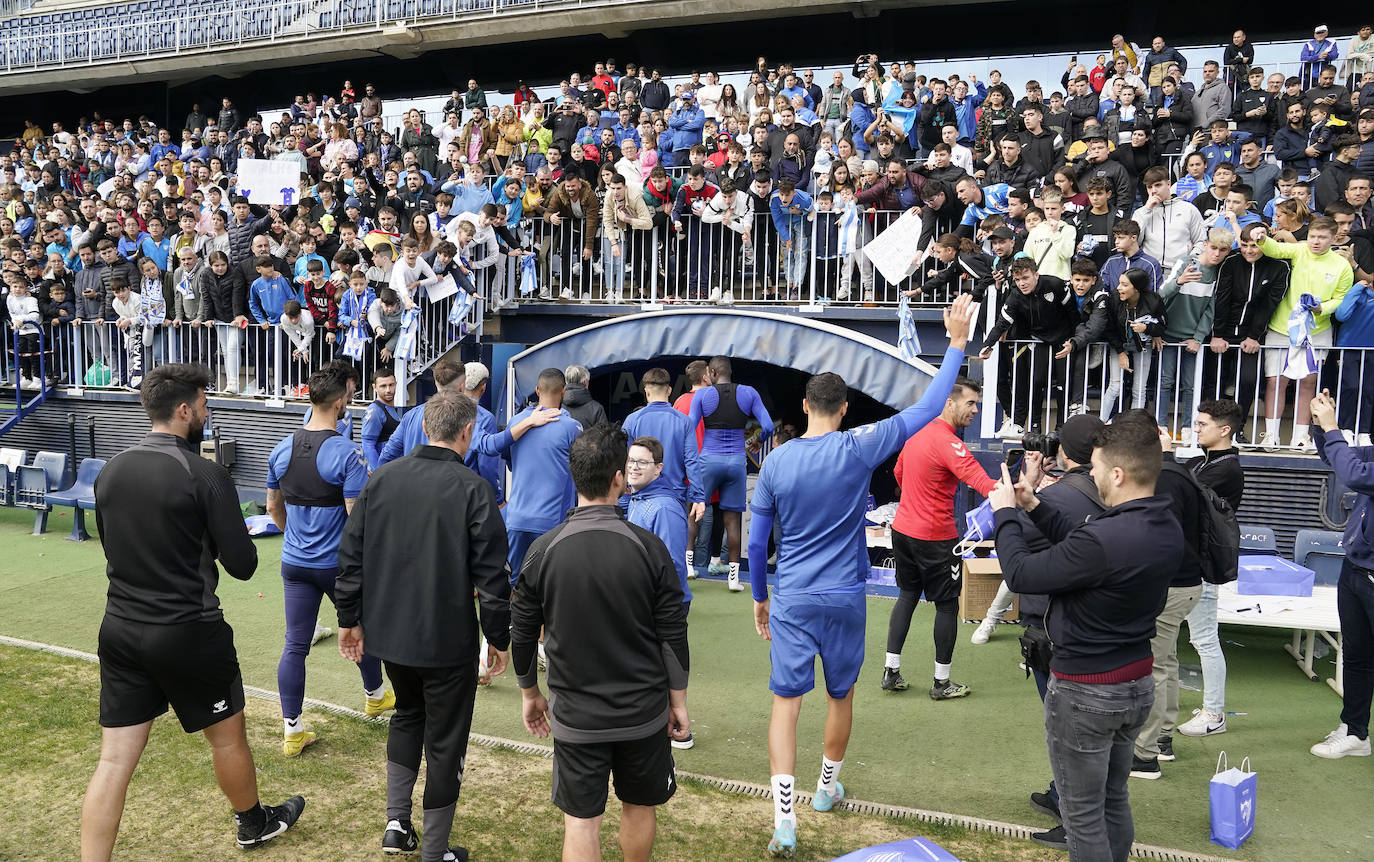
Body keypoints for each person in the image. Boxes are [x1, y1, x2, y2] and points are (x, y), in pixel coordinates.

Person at [748, 295, 973, 858]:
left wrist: (759, 598)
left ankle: (784, 822)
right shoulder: (857, 445)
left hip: (794, 594)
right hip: (846, 594)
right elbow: (926, 410)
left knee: (786, 704)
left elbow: (756, 544)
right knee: (840, 694)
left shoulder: (776, 461)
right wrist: (957, 343)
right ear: (845, 407)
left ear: (805, 406)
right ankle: (824, 792)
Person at [81, 364, 305, 860]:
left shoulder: (112, 467)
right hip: (189, 630)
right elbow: (243, 565)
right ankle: (252, 823)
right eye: (205, 405)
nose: (208, 412)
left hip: (120, 627)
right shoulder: (205, 473)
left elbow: (110, 542)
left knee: (114, 761)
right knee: (226, 739)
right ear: (184, 410)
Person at [991, 418, 1182, 862]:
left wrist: (1005, 514)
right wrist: (1034, 505)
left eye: (1095, 466)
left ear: (1117, 474)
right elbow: (1087, 545)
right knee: (1113, 798)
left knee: (1082, 815)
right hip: (1135, 683)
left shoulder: (1105, 539)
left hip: (1086, 690)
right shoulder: (1163, 523)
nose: (1090, 474)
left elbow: (1021, 573)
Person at [336, 391, 511, 862]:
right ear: (467, 432)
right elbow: (493, 577)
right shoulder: (474, 489)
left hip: (391, 635)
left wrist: (349, 619)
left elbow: (350, 555)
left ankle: (397, 823)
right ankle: (433, 850)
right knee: (445, 738)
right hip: (445, 641)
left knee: (408, 715)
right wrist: (498, 638)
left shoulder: (383, 479)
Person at [512, 423, 691, 862]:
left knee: (581, 820)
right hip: (640, 711)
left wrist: (529, 692)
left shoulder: (544, 549)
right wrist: (679, 701)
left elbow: (520, 629)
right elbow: (673, 634)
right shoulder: (649, 549)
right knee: (639, 804)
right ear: (618, 478)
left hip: (577, 715)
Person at [265, 362, 393, 756]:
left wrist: (297, 539)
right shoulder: (346, 454)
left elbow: (273, 509)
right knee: (364, 630)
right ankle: (374, 695)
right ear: (341, 403)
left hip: (294, 564)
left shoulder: (281, 449)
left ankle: (292, 730)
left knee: (295, 645)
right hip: (336, 568)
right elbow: (358, 522)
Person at [882, 376, 996, 696]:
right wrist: (1018, 492)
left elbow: (899, 473)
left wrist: (918, 502)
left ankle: (891, 671)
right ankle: (941, 683)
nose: (975, 409)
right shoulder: (950, 443)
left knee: (907, 596)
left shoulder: (917, 431)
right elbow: (982, 483)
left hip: (903, 531)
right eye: (970, 403)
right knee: (946, 606)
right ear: (950, 402)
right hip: (935, 538)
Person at [473, 367, 584, 587]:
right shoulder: (571, 427)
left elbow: (509, 460)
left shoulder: (516, 422)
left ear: (536, 390)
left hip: (517, 518)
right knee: (550, 583)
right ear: (563, 392)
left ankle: (514, 622)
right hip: (553, 521)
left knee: (516, 582)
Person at [1174, 400, 1244, 740]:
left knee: (1204, 640)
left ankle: (1214, 713)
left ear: (1224, 429)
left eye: (1202, 424)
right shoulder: (1205, 461)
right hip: (1190, 561)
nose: (1196, 429)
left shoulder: (1227, 468)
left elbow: (1180, 493)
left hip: (1201, 566)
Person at [1310, 389, 1374, 758]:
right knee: (1357, 655)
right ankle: (1355, 731)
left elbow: (1352, 473)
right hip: (1356, 567)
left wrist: (1333, 426)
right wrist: (1321, 425)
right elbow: (1338, 458)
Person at [1255, 221, 1354, 450]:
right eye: (1312, 236)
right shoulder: (1299, 250)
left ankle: (1300, 436)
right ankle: (1271, 435)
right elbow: (1275, 249)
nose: (1316, 242)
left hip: (1318, 330)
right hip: (1282, 328)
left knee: (1308, 383)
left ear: (1333, 238)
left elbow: (1341, 298)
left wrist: (1322, 308)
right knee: (1275, 381)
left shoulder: (1342, 266)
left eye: (1321, 237)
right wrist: (1261, 238)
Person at [624, 434, 696, 749]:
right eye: (630, 461)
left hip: (663, 608)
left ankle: (680, 731)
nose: (634, 467)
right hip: (647, 606)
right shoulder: (638, 500)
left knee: (666, 673)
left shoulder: (664, 507)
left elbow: (673, 567)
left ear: (659, 468)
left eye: (642, 462)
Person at [686, 355, 775, 592]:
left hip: (708, 460)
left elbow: (689, 427)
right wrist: (757, 441)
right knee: (732, 520)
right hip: (736, 462)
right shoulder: (748, 392)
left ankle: (688, 566)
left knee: (695, 509)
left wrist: (687, 458)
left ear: (712, 373)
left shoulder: (703, 395)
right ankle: (734, 579)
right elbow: (767, 426)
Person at [361, 368, 406, 471]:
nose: (388, 390)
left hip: (395, 469)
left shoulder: (392, 409)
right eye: (383, 386)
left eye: (391, 385)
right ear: (374, 387)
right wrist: (378, 472)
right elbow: (367, 444)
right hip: (384, 473)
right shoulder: (375, 411)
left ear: (396, 384)